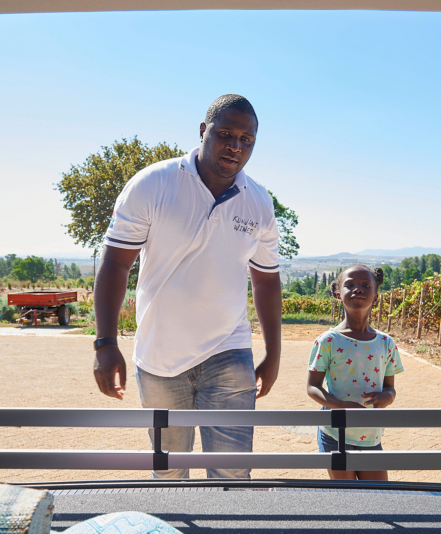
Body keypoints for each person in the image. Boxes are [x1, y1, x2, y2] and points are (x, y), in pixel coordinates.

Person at [92, 94, 282, 480]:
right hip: (160, 357)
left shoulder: (258, 202)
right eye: (226, 133)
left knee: (232, 476)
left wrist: (273, 352)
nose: (235, 146)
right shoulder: (153, 183)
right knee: (169, 474)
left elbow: (266, 281)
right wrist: (105, 343)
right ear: (202, 131)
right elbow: (115, 263)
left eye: (247, 140)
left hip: (229, 352)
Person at [306, 265, 403, 480]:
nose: (357, 289)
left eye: (365, 285)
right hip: (335, 433)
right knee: (347, 499)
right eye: (349, 285)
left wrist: (386, 397)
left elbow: (390, 389)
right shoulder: (328, 341)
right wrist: (341, 405)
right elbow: (312, 387)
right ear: (338, 294)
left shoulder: (386, 343)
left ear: (375, 295)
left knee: (378, 499)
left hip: (371, 435)